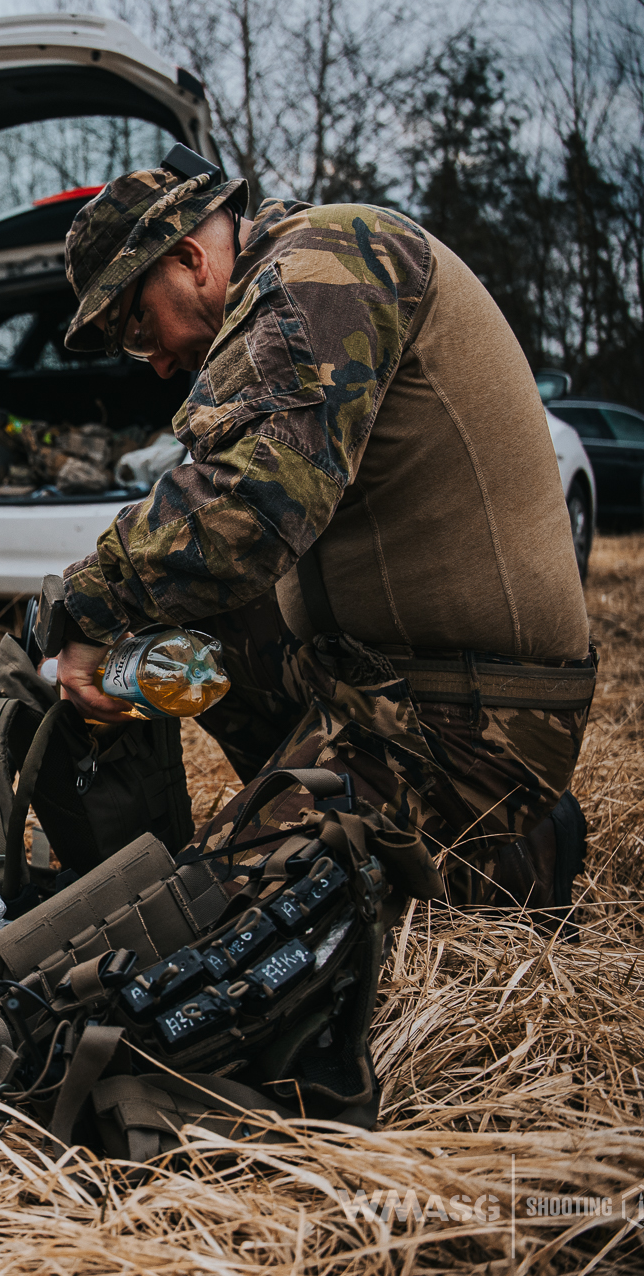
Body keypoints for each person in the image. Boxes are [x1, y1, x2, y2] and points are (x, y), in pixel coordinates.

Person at [49, 153, 595, 910]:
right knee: (186, 619)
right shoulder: (284, 284)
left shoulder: (323, 264)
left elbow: (247, 506)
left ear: (187, 256)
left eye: (140, 327)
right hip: (374, 674)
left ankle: (475, 854)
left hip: (469, 713)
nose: (158, 362)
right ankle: (334, 808)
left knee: (214, 916)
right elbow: (201, 527)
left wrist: (85, 603)